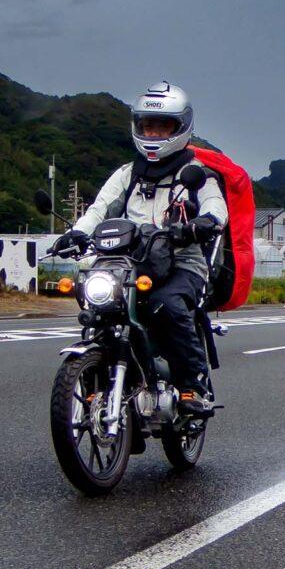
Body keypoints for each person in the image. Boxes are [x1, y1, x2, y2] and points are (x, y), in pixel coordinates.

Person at [52, 82, 227, 416]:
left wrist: (200, 225)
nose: (154, 132)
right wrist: (75, 234)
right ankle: (103, 374)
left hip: (181, 264)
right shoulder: (127, 173)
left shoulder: (196, 174)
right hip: (131, 263)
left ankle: (194, 385)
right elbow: (99, 209)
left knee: (167, 304)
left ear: (180, 127)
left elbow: (216, 209)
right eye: (148, 124)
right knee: (100, 306)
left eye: (163, 126)